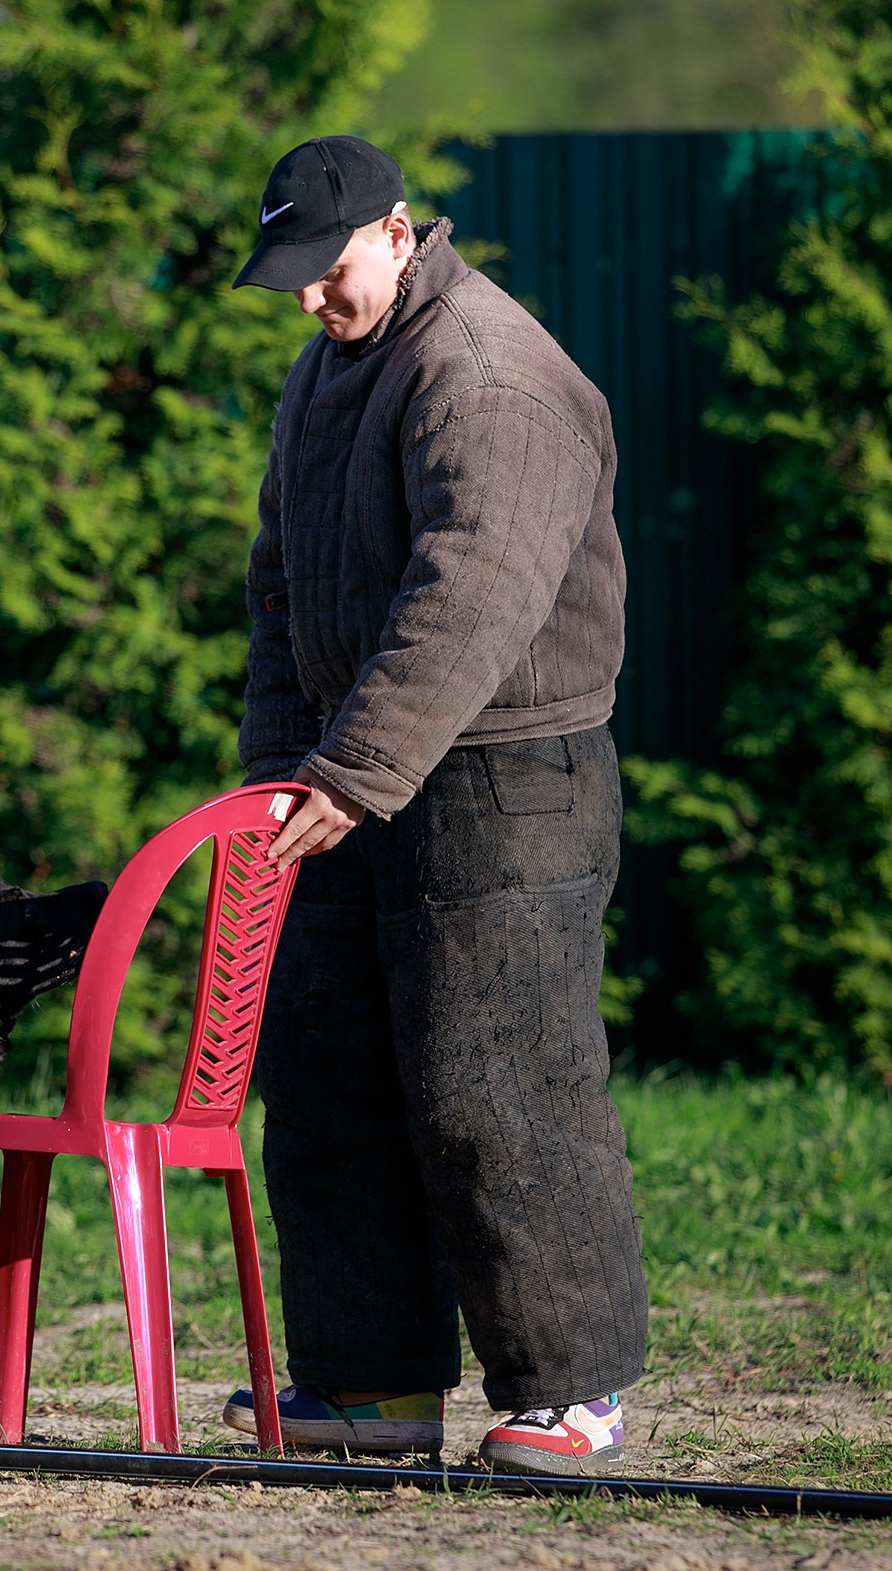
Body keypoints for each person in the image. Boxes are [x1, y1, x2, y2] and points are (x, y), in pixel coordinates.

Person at [221, 135, 647, 1474]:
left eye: (326, 270)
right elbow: (284, 588)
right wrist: (276, 782)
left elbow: (473, 595)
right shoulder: (332, 366)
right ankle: (369, 1390)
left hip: (510, 778)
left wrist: (350, 770)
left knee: (496, 1084)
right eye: (290, 276)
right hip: (357, 773)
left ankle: (567, 1393)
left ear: (399, 235)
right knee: (328, 1072)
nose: (308, 301)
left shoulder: (488, 372)